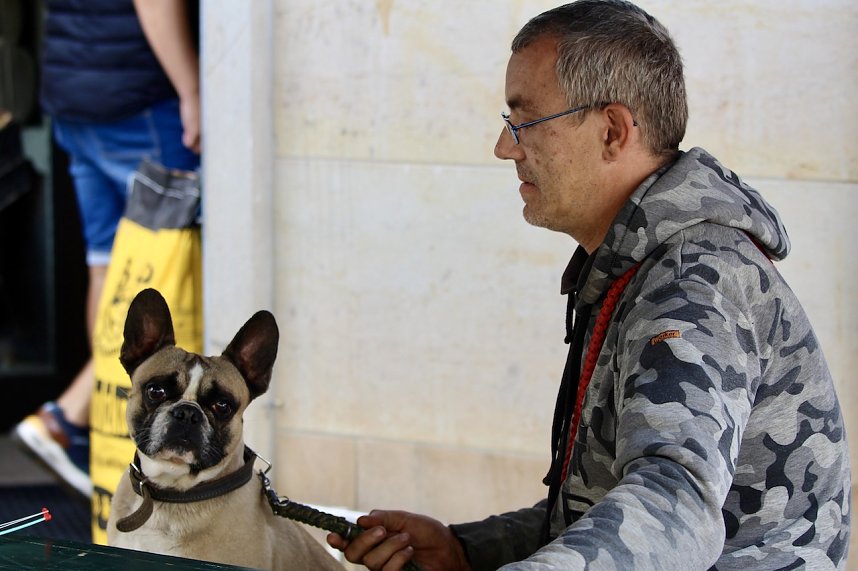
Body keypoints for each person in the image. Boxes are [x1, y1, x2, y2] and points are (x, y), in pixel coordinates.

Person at [326, 1, 851, 569]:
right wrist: (466, 551)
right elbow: (600, 512)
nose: (506, 148)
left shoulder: (694, 279)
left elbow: (674, 508)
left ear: (612, 131)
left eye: (524, 121)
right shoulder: (638, 264)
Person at [14, 0, 200, 498]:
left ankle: (100, 426)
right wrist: (192, 88)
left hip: (74, 97)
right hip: (140, 99)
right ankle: (69, 418)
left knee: (109, 270)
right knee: (162, 275)